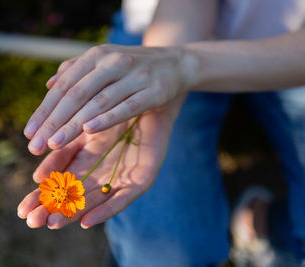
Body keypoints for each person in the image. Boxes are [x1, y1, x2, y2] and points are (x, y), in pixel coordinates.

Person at [18, 0, 305, 266]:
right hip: (162, 34)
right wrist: (160, 92)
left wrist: (181, 66)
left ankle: (265, 226)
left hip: (288, 52)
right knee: (162, 257)